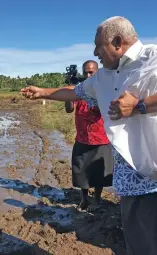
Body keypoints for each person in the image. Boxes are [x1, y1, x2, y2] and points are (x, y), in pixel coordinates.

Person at [21, 16, 157, 255]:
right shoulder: (104, 77)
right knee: (140, 247)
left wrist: (140, 105)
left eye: (98, 45)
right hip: (131, 184)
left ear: (117, 42)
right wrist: (43, 91)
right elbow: (76, 91)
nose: (95, 52)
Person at [65, 60, 113, 212]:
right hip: (82, 138)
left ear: (97, 72)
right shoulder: (78, 90)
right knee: (81, 171)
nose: (88, 75)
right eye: (85, 72)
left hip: (101, 138)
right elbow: (68, 109)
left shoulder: (105, 89)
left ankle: (97, 199)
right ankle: (84, 198)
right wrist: (67, 93)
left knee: (99, 172)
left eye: (91, 72)